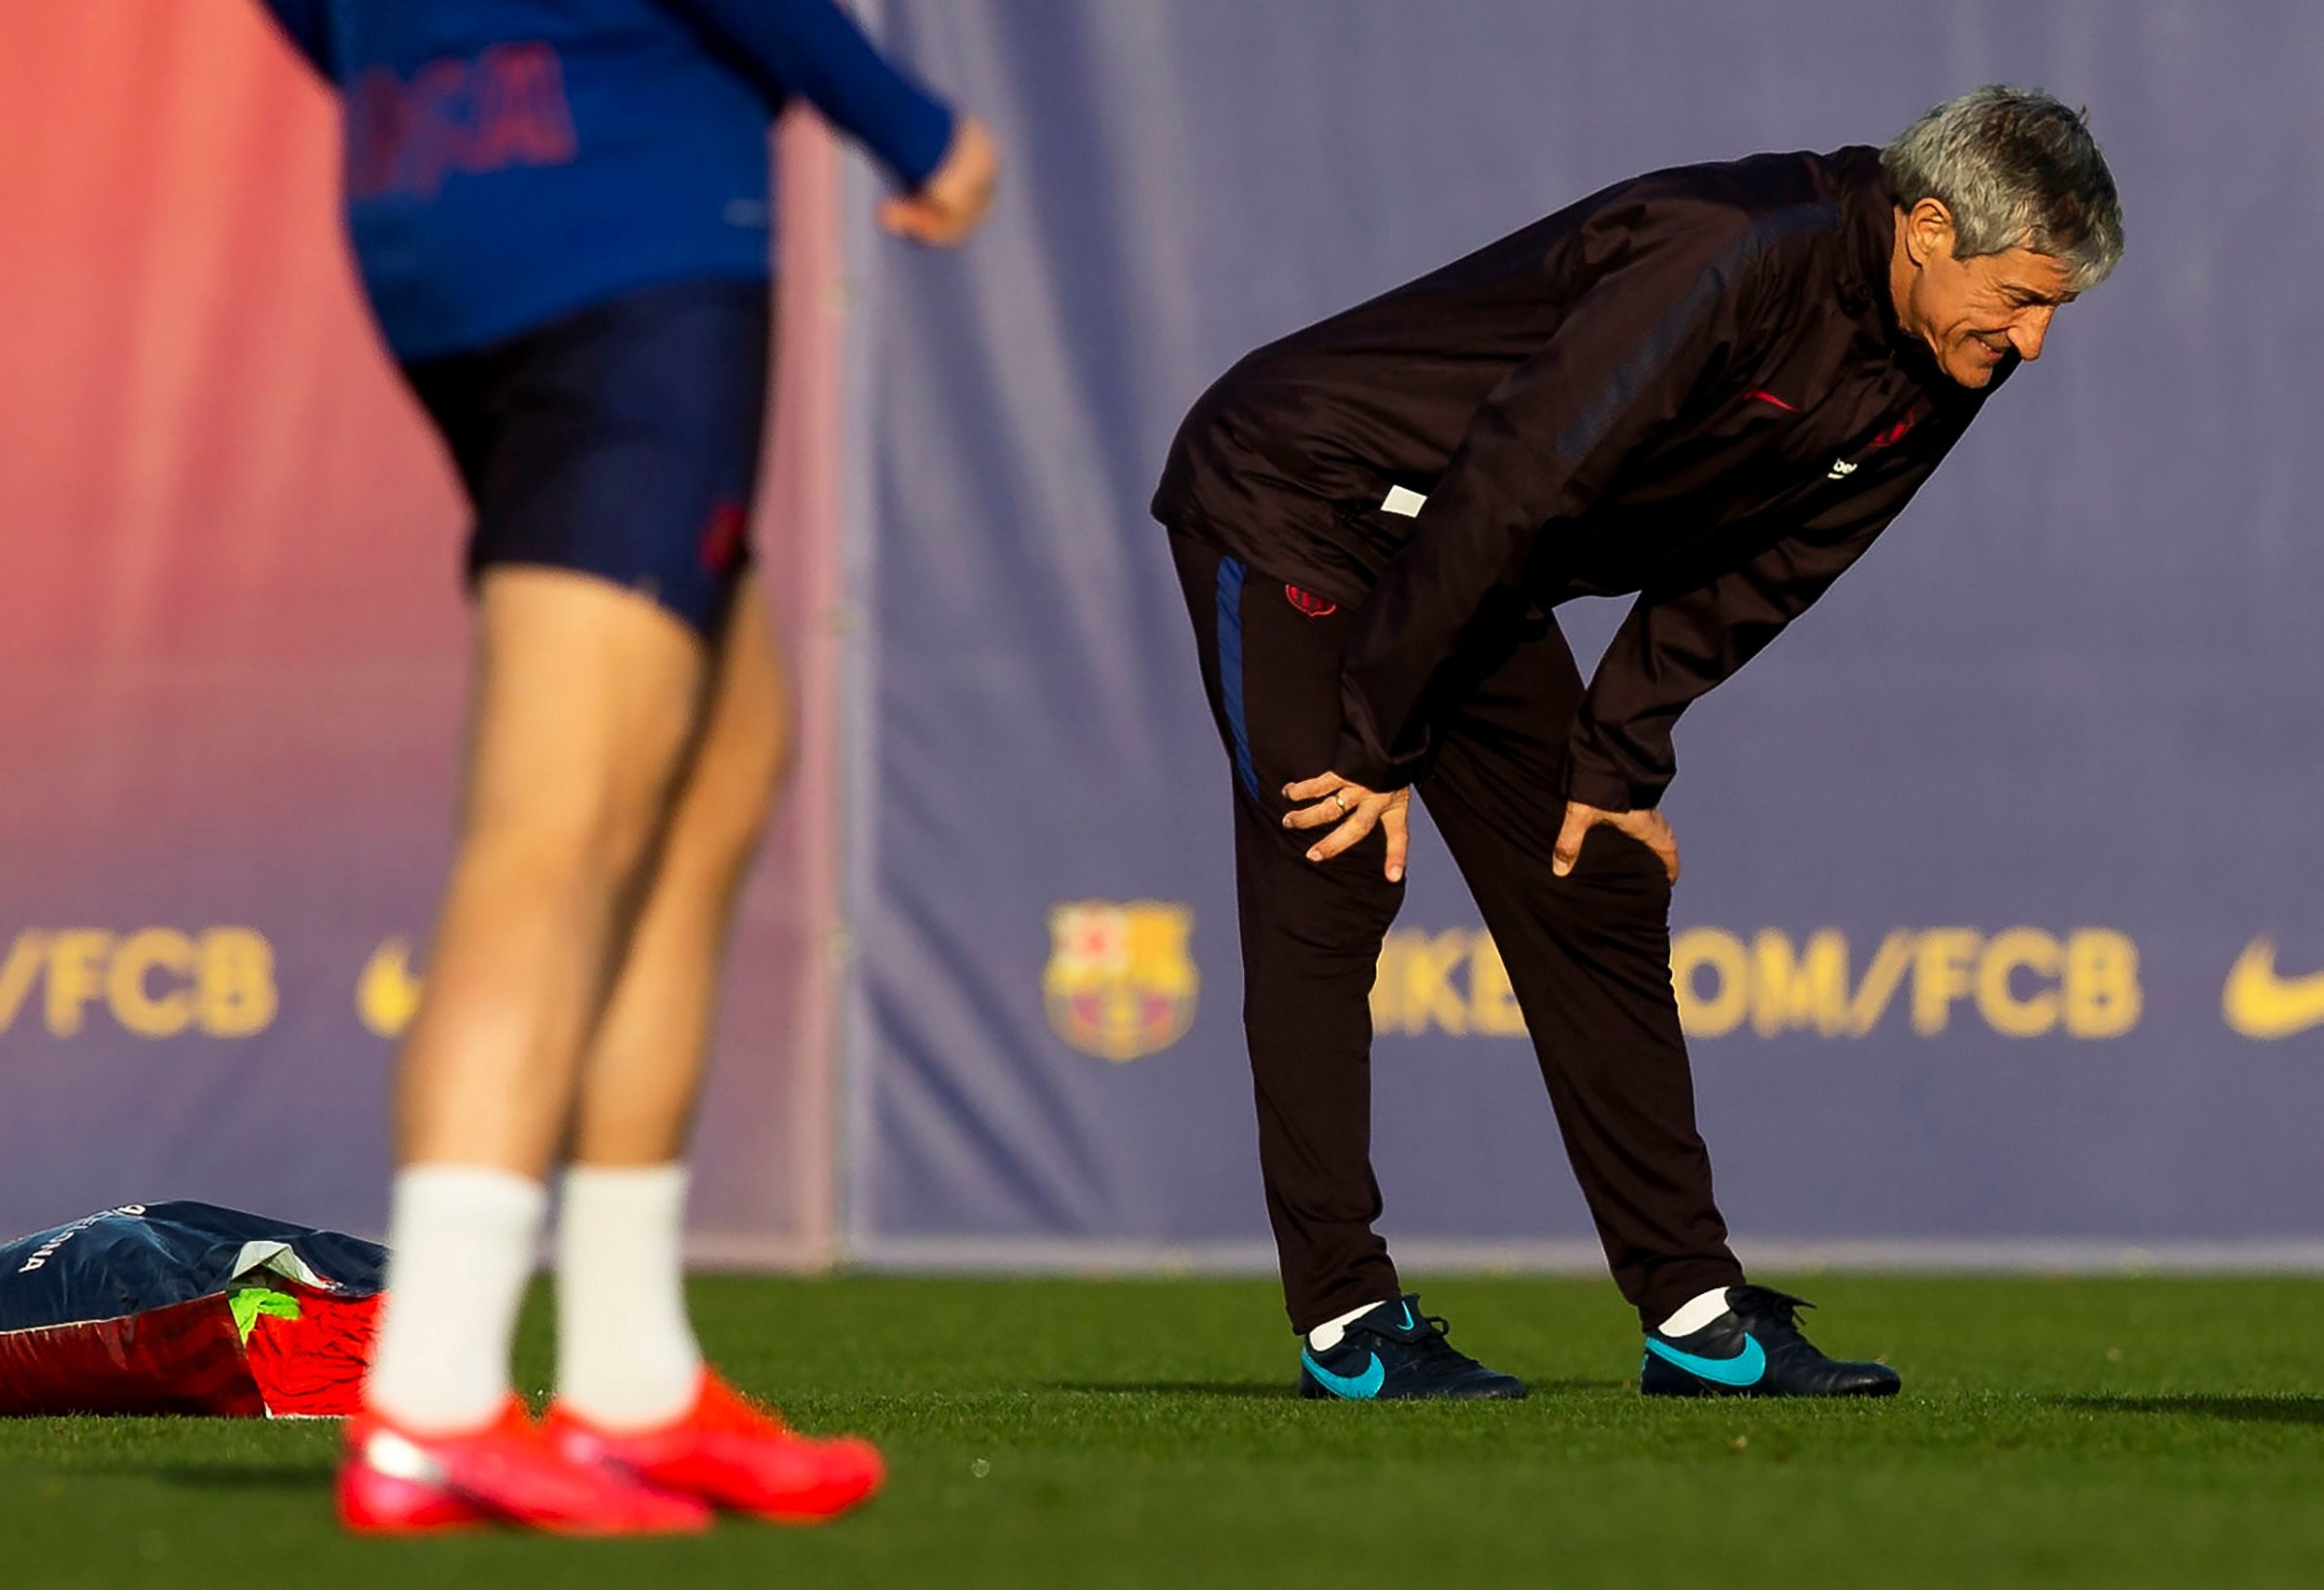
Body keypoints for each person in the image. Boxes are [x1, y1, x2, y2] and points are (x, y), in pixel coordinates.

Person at [1153, 85, 2119, 1400]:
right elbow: (1520, 474)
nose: (2036, 340)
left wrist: (1616, 761)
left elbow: (1773, 572)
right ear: (1928, 227)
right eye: (2021, 297)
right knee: (1333, 863)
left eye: (2058, 307)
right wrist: (1377, 737)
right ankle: (1346, 1321)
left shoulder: (1947, 355)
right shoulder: (1729, 250)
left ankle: (1696, 1315)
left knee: (1592, 876)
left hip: (1475, 559)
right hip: (1298, 497)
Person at [255, 0, 996, 1532]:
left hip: (444, 201)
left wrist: (425, 74)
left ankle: (631, 1380)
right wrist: (909, 124)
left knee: (722, 764)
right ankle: (437, 1399)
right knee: (557, 826)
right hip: (626, 230)